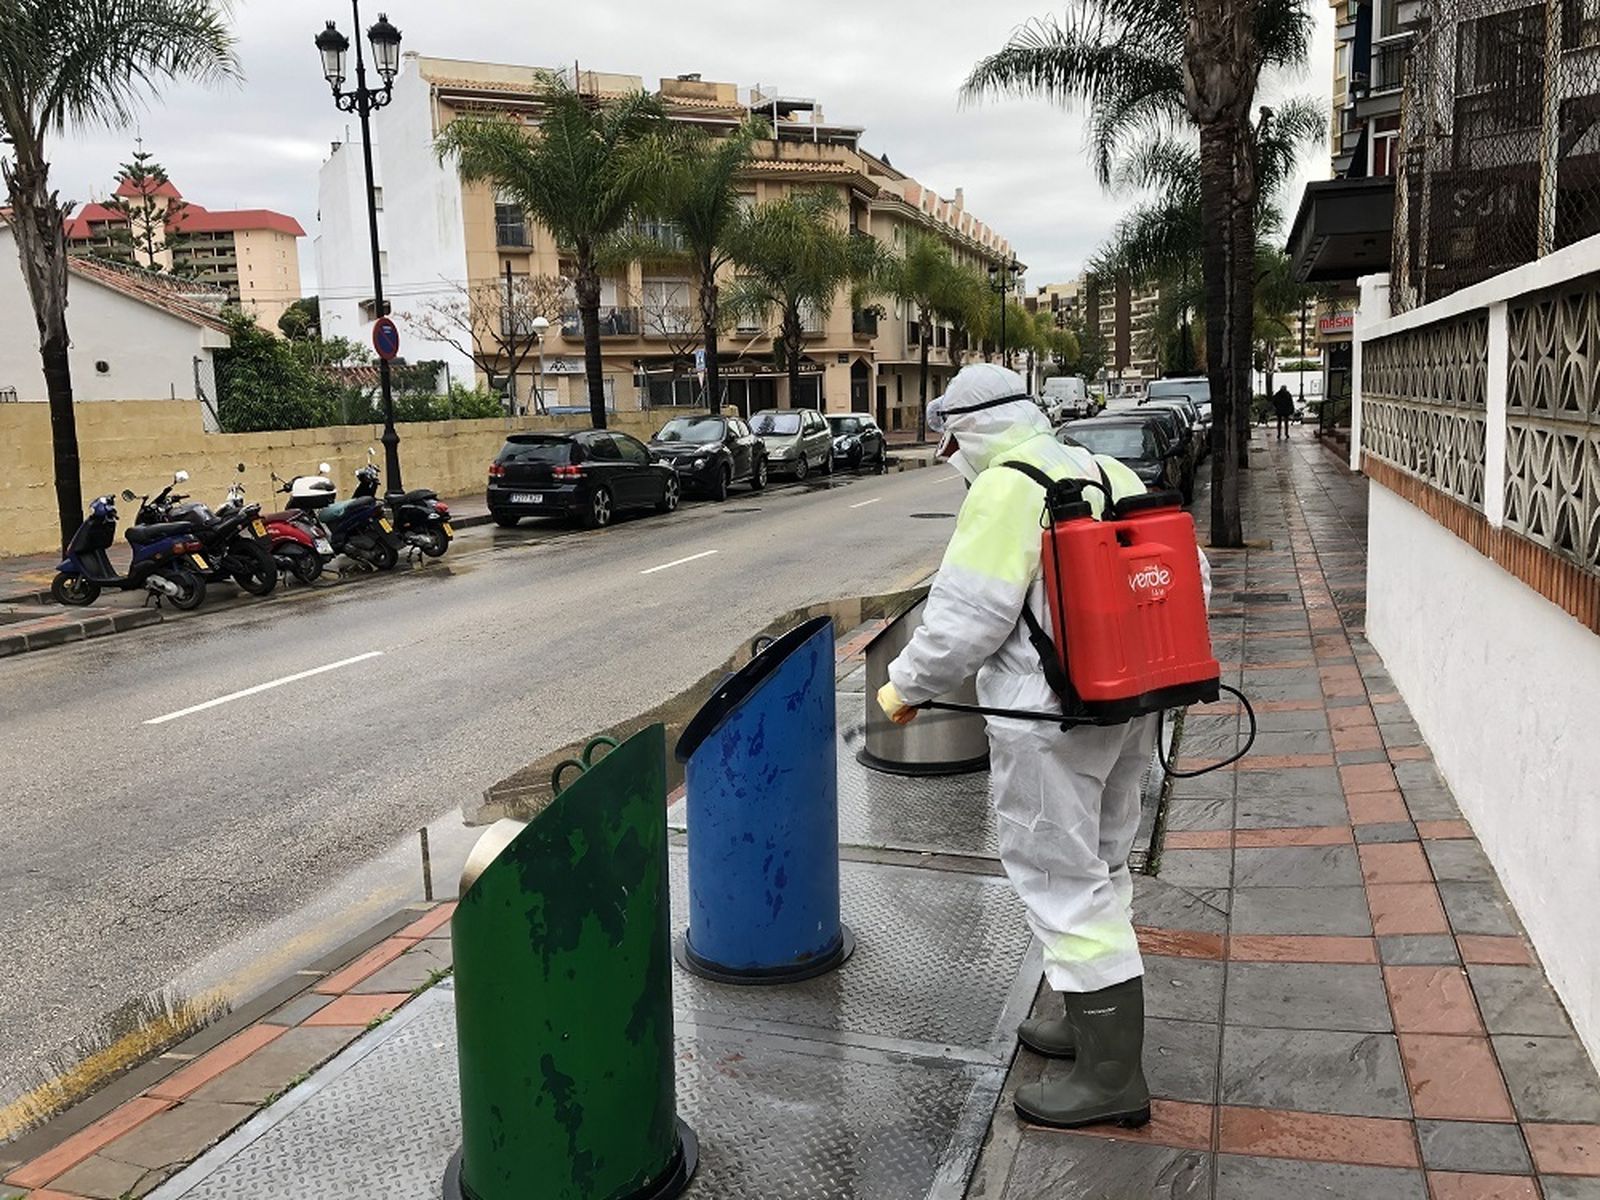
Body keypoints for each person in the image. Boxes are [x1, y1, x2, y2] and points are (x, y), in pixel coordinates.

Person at [876, 363, 1210, 1131]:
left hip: (1047, 719)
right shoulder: (1104, 467)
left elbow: (964, 619)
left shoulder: (1006, 487)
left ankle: (1110, 1077)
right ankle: (1081, 1016)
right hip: (1128, 701)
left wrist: (904, 688)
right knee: (1102, 860)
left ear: (973, 431)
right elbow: (1182, 574)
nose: (952, 459)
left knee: (1059, 875)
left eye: (952, 443)